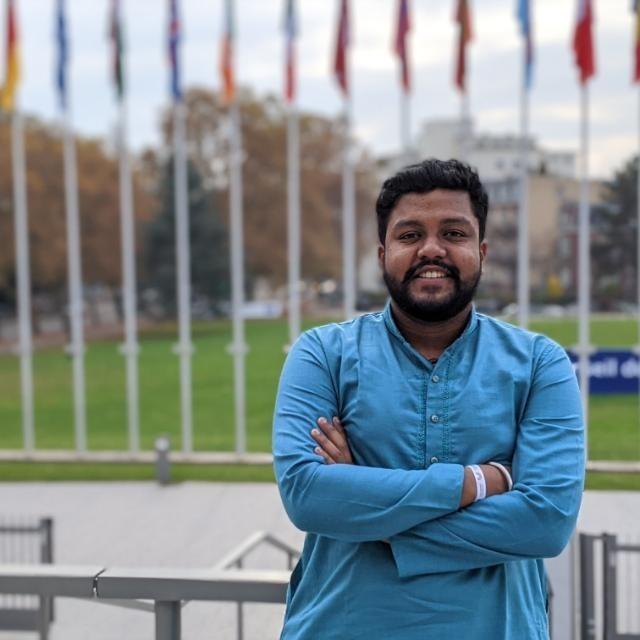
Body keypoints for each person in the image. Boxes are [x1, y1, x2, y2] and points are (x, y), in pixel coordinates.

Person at [272, 158, 584, 639]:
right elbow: (308, 496)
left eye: (454, 234)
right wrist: (477, 482)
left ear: (482, 251)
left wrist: (366, 506)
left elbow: (545, 524)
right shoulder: (322, 354)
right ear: (383, 254)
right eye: (410, 234)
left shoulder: (540, 363)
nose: (432, 249)